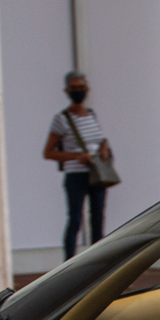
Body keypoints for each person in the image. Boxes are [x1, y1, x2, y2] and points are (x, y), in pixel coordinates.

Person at [43, 71, 115, 259]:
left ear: (87, 90)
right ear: (67, 91)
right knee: (75, 219)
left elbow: (99, 139)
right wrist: (76, 156)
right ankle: (69, 262)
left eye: (81, 88)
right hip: (76, 175)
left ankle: (97, 260)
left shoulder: (91, 115)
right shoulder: (62, 119)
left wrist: (104, 148)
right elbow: (49, 152)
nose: (78, 92)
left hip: (96, 173)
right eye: (74, 88)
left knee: (98, 219)